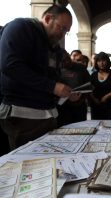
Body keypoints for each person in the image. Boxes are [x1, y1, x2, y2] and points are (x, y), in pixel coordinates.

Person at [0, 5, 72, 149]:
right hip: (22, 116)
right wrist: (52, 87)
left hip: (48, 116)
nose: (62, 34)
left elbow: (53, 76)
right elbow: (10, 65)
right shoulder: (20, 28)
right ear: (47, 19)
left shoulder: (55, 49)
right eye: (61, 28)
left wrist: (66, 92)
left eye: (66, 31)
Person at [56, 50, 90, 127]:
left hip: (79, 106)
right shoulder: (56, 70)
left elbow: (89, 85)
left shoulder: (81, 68)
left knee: (80, 129)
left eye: (67, 58)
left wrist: (81, 98)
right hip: (62, 108)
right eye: (63, 61)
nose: (67, 62)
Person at [89, 52, 111, 120]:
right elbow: (89, 89)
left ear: (107, 61)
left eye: (103, 60)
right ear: (96, 63)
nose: (101, 63)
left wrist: (106, 97)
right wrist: (94, 99)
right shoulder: (93, 75)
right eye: (99, 61)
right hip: (96, 107)